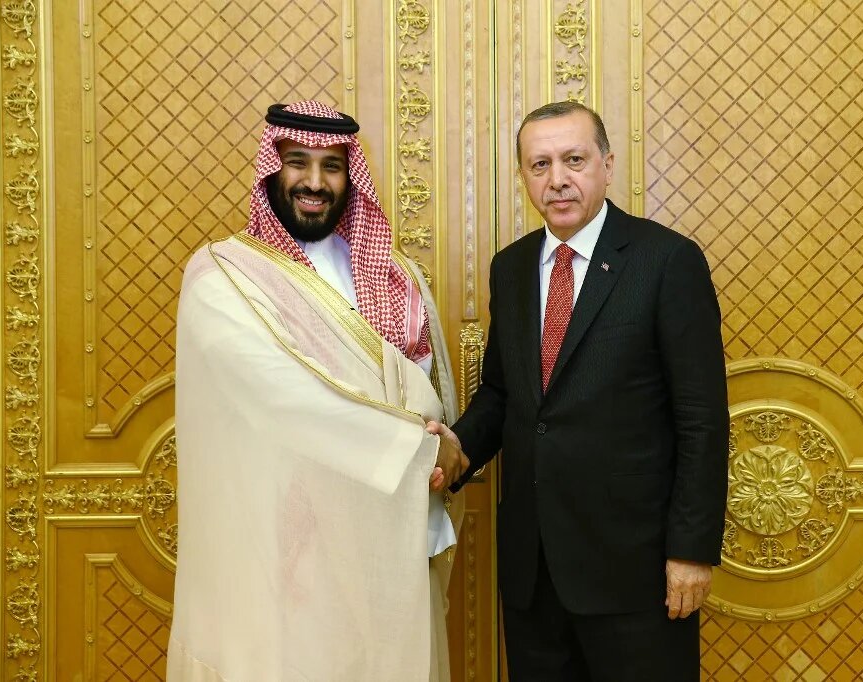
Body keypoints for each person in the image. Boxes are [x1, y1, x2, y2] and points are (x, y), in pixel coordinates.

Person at [167, 100, 467, 681]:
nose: (314, 181)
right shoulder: (223, 275)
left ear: (349, 176)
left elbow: (426, 381)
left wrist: (439, 445)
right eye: (298, 162)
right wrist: (422, 450)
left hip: (392, 526)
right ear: (271, 169)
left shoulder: (393, 274)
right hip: (281, 532)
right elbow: (280, 397)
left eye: (332, 166)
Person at [440, 101, 729, 681]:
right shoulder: (513, 268)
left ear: (607, 164)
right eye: (539, 164)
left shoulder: (666, 260)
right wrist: (455, 451)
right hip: (534, 570)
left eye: (574, 159)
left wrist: (691, 551)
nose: (558, 179)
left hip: (637, 570)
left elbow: (701, 417)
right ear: (524, 177)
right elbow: (503, 394)